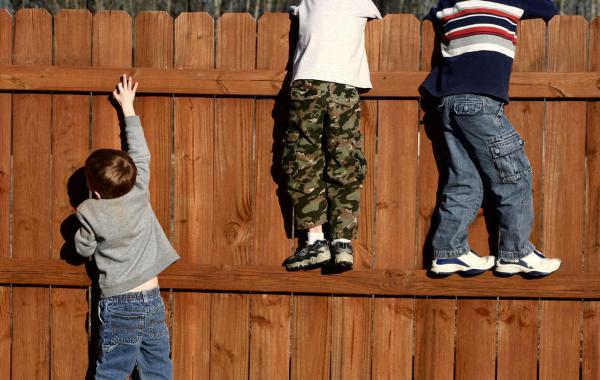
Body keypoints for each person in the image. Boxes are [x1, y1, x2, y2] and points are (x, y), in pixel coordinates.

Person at [422, 0, 562, 277]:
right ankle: (517, 253)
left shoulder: (447, 4)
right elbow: (550, 9)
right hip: (479, 102)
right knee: (514, 174)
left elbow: (430, 16)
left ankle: (450, 252)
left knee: (464, 181)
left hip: (447, 102)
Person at [75, 75, 179, 378]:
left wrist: (83, 231)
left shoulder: (89, 210)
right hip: (152, 296)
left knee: (112, 370)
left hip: (119, 302)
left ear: (94, 192)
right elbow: (140, 153)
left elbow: (84, 248)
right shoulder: (139, 189)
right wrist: (128, 107)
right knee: (158, 368)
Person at [283, 0, 381, 271]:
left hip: (308, 84)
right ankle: (342, 243)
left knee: (303, 159)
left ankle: (315, 241)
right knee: (346, 160)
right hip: (343, 86)